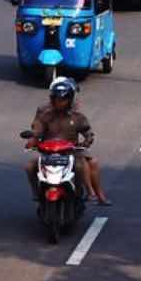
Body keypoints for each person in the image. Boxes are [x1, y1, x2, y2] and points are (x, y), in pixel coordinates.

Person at [23, 77, 111, 205]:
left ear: (70, 99)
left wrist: (88, 139)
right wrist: (32, 139)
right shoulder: (45, 115)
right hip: (49, 153)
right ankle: (37, 194)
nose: (60, 102)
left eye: (63, 99)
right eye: (57, 99)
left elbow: (87, 131)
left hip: (70, 152)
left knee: (82, 165)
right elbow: (37, 130)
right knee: (29, 166)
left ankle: (87, 193)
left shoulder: (77, 117)